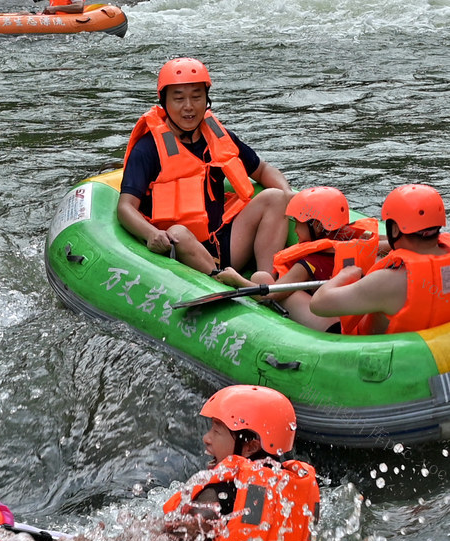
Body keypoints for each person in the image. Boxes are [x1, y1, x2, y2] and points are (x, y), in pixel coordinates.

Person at [117, 58, 293, 277]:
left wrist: (288, 195)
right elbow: (125, 208)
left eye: (197, 97)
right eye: (179, 98)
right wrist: (151, 233)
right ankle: (220, 282)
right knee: (178, 232)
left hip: (224, 242)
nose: (189, 106)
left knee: (276, 197)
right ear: (164, 102)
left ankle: (265, 282)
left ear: (206, 99)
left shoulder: (219, 136)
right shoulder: (148, 149)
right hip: (181, 250)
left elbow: (263, 170)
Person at [159, 385, 319, 541]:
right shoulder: (294, 489)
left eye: (216, 430)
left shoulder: (220, 493)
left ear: (250, 447)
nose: (206, 438)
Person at [218, 187, 380, 331]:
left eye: (298, 223)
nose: (294, 229)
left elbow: (269, 295)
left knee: (264, 281)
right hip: (359, 319)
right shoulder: (352, 242)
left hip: (333, 328)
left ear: (316, 226)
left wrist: (236, 279)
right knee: (262, 277)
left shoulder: (307, 265)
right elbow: (383, 244)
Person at [310, 183, 450, 335]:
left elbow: (317, 304)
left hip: (370, 346)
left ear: (395, 229)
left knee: (294, 297)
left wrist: (343, 276)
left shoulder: (386, 281)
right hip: (432, 341)